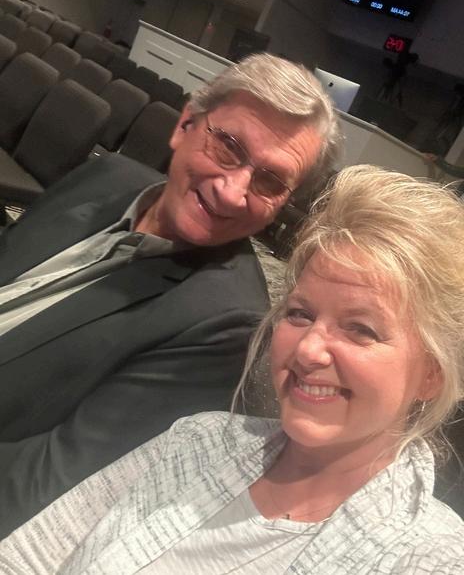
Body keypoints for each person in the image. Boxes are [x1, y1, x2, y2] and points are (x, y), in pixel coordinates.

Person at [2, 164, 463, 575]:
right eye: (300, 314)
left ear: (433, 373)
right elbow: (31, 555)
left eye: (361, 329)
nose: (308, 350)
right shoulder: (201, 441)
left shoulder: (430, 559)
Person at [0, 53, 339, 537]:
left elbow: (45, 489)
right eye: (228, 147)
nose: (232, 192)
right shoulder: (110, 175)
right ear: (185, 125)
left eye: (269, 181)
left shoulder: (225, 325)